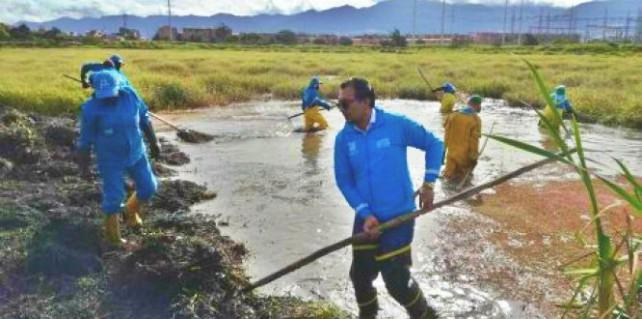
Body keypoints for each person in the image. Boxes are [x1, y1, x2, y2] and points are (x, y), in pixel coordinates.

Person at [334, 77, 443, 319]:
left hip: (399, 216)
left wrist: (429, 183)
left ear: (366, 101)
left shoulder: (396, 125)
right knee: (360, 277)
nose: (341, 108)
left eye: (345, 103)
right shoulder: (344, 139)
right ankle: (368, 314)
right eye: (338, 103)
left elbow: (435, 144)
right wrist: (364, 213)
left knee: (395, 279)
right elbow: (344, 180)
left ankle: (425, 315)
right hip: (366, 218)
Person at [76, 70, 161, 248]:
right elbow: (84, 142)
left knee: (149, 187)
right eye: (104, 95)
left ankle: (130, 211)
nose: (109, 98)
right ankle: (113, 238)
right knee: (114, 197)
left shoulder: (130, 95)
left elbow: (144, 118)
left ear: (119, 86)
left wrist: (154, 142)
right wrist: (84, 169)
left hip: (137, 152)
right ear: (96, 91)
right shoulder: (90, 109)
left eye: (112, 93)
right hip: (110, 159)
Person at [443, 95, 482, 183]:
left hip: (451, 156)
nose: (480, 107)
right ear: (476, 105)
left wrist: (443, 151)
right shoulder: (475, 120)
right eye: (480, 105)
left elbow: (446, 134)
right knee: (463, 181)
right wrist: (474, 157)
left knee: (448, 177)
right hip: (464, 158)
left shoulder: (453, 115)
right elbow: (474, 141)